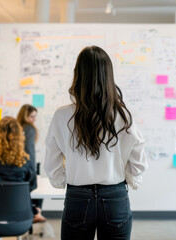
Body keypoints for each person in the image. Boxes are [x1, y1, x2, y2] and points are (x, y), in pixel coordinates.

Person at [44, 46, 148, 240]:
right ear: (109, 76)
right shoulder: (123, 115)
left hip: (77, 197)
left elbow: (51, 163)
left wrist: (61, 180)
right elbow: (139, 163)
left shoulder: (62, 115)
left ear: (78, 75)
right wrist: (129, 176)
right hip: (115, 195)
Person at [17, 104, 46, 222]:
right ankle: (36, 213)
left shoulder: (16, 127)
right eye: (32, 117)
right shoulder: (29, 128)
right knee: (36, 189)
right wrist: (33, 169)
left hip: (17, 166)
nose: (34, 119)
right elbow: (29, 151)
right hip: (28, 165)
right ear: (25, 116)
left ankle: (32, 213)